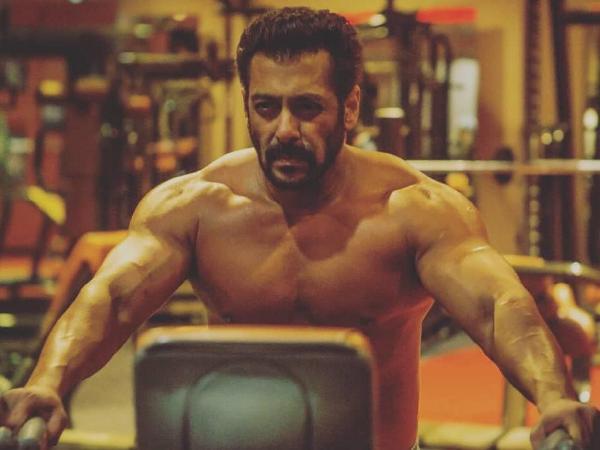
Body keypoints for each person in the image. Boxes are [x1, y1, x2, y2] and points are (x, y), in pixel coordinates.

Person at [0, 7, 598, 450]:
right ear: (247, 104)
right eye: (267, 107)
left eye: (307, 107)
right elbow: (112, 299)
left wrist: (552, 396)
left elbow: (496, 307)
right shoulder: (197, 207)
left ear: (350, 106)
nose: (285, 129)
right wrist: (47, 383)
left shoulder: (413, 211)